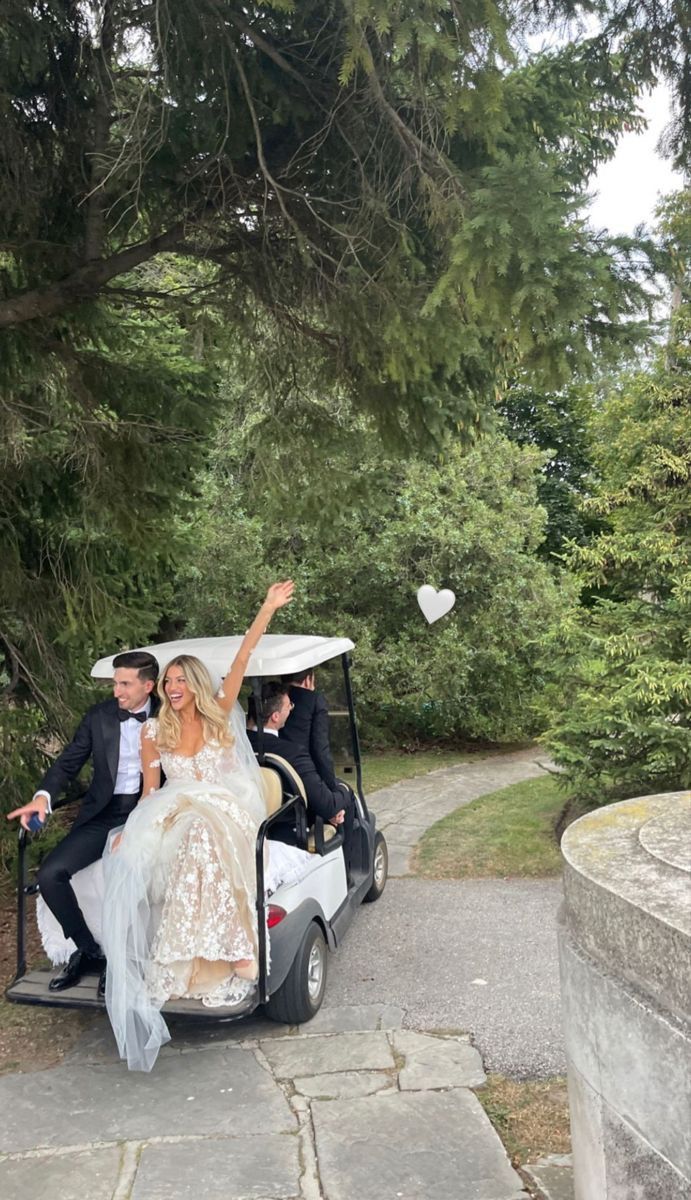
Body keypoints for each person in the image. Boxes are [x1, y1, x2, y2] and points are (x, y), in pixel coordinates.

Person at [101, 581, 294, 1072]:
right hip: (172, 807)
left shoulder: (218, 714)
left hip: (221, 807)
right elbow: (150, 792)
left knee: (205, 830)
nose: (173, 687)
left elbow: (244, 656)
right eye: (168, 681)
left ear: (197, 685)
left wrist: (266, 608)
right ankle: (215, 953)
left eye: (181, 679)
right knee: (183, 834)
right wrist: (130, 828)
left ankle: (231, 946)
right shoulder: (153, 731)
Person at [7, 650, 160, 993]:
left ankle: (126, 957)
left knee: (124, 875)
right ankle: (91, 951)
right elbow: (68, 762)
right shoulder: (99, 717)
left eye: (125, 684)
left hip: (151, 811)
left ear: (148, 686)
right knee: (50, 875)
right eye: (115, 683)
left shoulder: (170, 715)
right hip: (103, 812)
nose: (116, 691)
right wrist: (42, 796)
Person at [247, 682, 355, 876]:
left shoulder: (239, 746)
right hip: (286, 833)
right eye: (289, 706)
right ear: (275, 716)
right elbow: (327, 804)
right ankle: (345, 877)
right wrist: (344, 791)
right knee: (341, 799)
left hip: (250, 826)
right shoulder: (293, 753)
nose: (291, 709)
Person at [279, 669, 337, 789]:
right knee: (347, 796)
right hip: (304, 773)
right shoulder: (314, 700)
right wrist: (331, 788)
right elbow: (320, 749)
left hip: (275, 768)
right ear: (308, 680)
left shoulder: (272, 697)